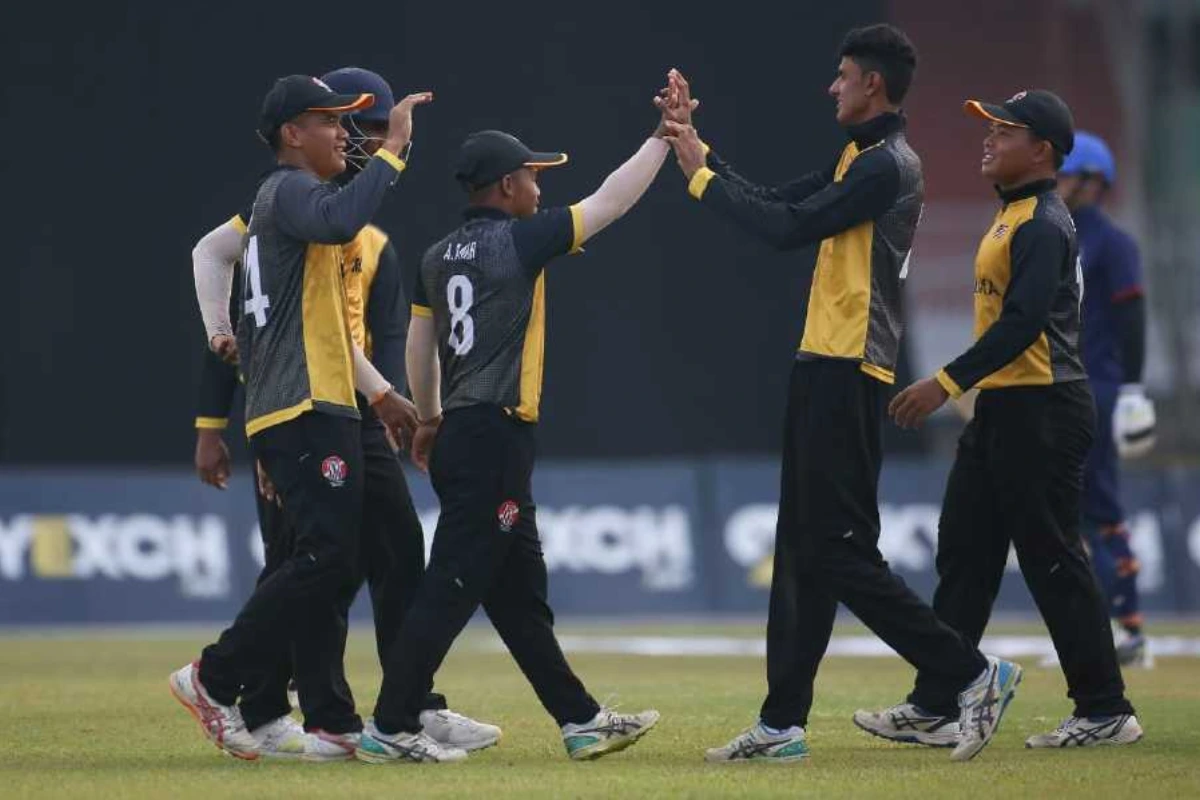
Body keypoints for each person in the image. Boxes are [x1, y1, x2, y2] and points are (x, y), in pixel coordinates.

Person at [658, 24, 1017, 765]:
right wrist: (698, 149)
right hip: (824, 364)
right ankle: (782, 723)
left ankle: (973, 674)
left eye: (844, 75)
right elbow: (777, 198)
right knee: (802, 553)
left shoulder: (889, 167)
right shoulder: (862, 157)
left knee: (839, 551)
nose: (833, 86)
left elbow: (787, 227)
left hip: (851, 370)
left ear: (872, 86)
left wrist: (696, 174)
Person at [187, 68, 500, 759]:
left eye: (360, 125)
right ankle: (232, 685)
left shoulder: (325, 215)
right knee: (318, 560)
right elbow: (219, 254)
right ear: (296, 133)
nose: (354, 137)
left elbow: (332, 326)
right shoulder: (300, 198)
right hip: (299, 404)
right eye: (344, 124)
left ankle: (378, 715)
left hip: (328, 400)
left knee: (354, 554)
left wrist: (385, 396)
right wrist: (221, 394)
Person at [356, 108, 683, 764]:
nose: (541, 187)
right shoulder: (526, 238)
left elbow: (421, 348)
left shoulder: (434, 254)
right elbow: (612, 200)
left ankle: (580, 720)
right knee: (451, 581)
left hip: (462, 436)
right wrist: (661, 138)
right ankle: (392, 724)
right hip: (494, 439)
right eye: (534, 176)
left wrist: (427, 418)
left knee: (519, 597)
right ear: (506, 186)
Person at [864, 90, 1143, 749]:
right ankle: (937, 703)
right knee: (964, 549)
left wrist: (944, 382)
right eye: (988, 129)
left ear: (1041, 150)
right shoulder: (1013, 214)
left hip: (1044, 406)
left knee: (1052, 559)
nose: (988, 139)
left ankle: (1104, 708)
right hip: (1005, 408)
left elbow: (1023, 324)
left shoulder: (1043, 222)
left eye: (1004, 131)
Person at [1058, 131, 1155, 667]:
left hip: (1096, 387)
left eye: (1068, 175)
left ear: (1095, 182)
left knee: (1099, 506)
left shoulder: (1113, 244)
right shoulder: (1057, 233)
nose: (1059, 183)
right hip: (1061, 388)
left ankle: (1131, 630)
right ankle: (1095, 630)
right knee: (1066, 514)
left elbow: (1131, 316)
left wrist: (1134, 389)